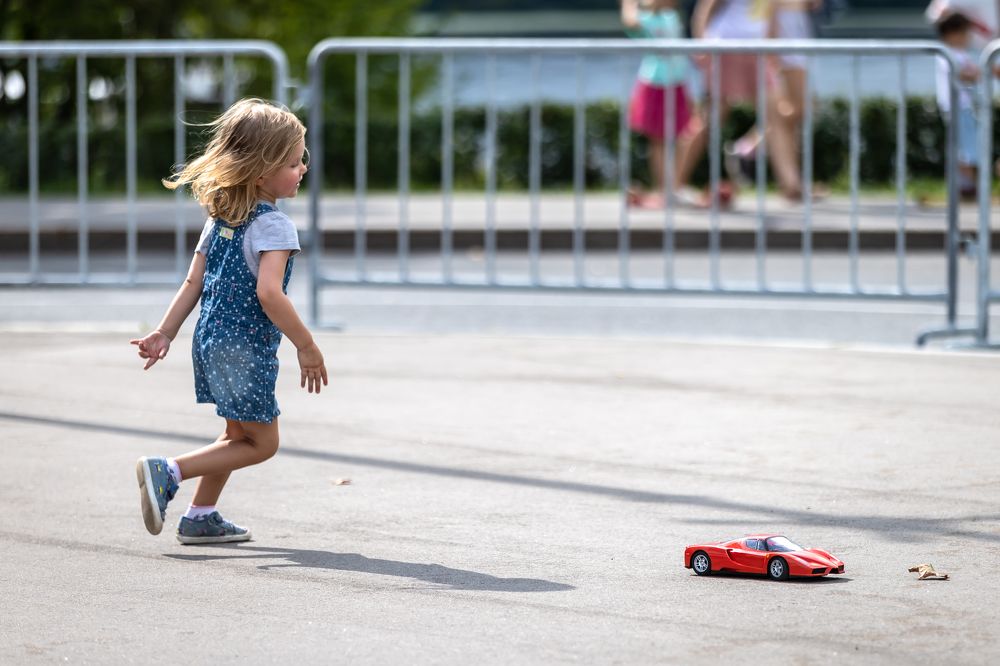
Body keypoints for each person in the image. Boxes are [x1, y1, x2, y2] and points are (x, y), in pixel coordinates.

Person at [130, 98, 327, 544]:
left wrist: (165, 332)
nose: (303, 170)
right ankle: (170, 471)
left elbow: (192, 282)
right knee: (263, 443)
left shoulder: (220, 219)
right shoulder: (275, 226)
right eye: (295, 163)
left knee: (236, 432)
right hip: (244, 346)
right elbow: (269, 293)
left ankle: (201, 515)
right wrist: (306, 345)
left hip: (210, 339)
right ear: (262, 172)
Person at [675, 0, 767, 208]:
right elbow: (706, 7)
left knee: (774, 114)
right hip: (725, 48)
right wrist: (702, 45)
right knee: (710, 117)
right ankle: (675, 186)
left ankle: (745, 149)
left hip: (754, 49)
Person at [622, 0, 693, 209]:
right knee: (658, 140)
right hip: (656, 83)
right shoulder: (647, 19)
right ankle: (665, 190)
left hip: (676, 82)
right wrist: (629, 4)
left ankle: (672, 187)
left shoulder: (672, 17)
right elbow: (631, 23)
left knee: (681, 135)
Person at [934, 10, 983, 199]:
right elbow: (961, 74)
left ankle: (967, 187)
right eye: (966, 33)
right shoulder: (947, 54)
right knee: (965, 150)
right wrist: (981, 74)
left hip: (963, 106)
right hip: (957, 107)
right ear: (953, 34)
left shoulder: (958, 53)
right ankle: (969, 187)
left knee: (966, 147)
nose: (969, 38)